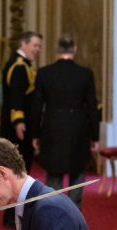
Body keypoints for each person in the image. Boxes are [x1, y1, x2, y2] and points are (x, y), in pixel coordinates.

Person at [32, 34, 100, 209]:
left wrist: (35, 134)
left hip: (52, 126)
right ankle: (74, 209)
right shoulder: (85, 74)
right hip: (78, 127)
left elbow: (36, 106)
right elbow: (92, 107)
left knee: (54, 170)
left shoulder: (44, 73)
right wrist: (95, 137)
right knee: (78, 170)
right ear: (74, 49)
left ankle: (55, 209)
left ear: (57, 50)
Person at [0, 31, 42, 228]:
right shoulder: (18, 66)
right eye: (35, 45)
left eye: (39, 46)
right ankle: (12, 216)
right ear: (23, 44)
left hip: (19, 126)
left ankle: (15, 213)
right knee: (17, 172)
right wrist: (19, 122)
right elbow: (16, 97)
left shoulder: (22, 64)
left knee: (19, 172)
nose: (37, 49)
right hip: (19, 128)